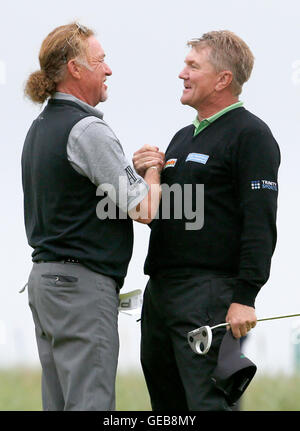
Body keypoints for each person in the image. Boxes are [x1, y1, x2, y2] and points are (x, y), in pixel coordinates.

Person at [133, 30, 280, 411]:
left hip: (211, 294)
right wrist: (144, 174)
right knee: (167, 408)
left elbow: (260, 221)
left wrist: (245, 297)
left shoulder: (252, 134)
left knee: (208, 404)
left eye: (192, 66)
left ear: (222, 79)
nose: (182, 73)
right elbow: (165, 215)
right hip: (161, 293)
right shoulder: (182, 138)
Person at [21, 22, 163, 411]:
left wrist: (128, 171)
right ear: (75, 68)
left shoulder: (40, 127)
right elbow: (146, 208)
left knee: (61, 404)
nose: (109, 70)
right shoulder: (87, 129)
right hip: (80, 289)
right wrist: (153, 169)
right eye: (101, 61)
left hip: (46, 284)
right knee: (90, 404)